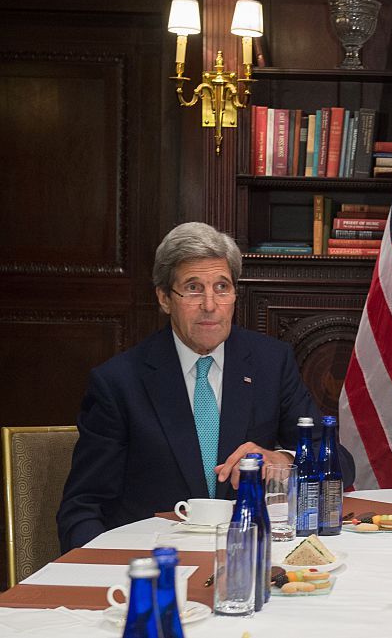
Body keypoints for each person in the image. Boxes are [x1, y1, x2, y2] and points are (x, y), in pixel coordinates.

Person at [58, 222, 355, 551]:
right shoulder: (119, 382)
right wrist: (113, 578)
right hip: (156, 567)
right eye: (193, 288)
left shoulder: (271, 363)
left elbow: (339, 462)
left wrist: (281, 461)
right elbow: (83, 508)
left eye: (222, 287)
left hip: (251, 556)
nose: (210, 304)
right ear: (164, 298)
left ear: (234, 296)